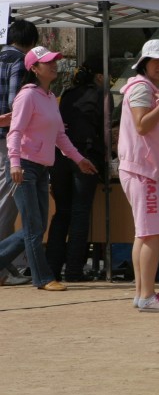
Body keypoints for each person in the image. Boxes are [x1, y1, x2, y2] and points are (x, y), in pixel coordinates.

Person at [0, 46, 98, 291]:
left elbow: (60, 136)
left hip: (41, 168)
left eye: (54, 61)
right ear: (34, 68)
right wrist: (14, 163)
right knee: (34, 228)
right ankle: (43, 278)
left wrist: (78, 159)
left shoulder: (50, 97)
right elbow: (15, 131)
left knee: (37, 227)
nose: (54, 65)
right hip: (24, 167)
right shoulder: (28, 95)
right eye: (47, 62)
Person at [118, 40, 159, 312]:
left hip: (141, 169)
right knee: (151, 235)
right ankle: (146, 295)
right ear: (144, 62)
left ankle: (141, 293)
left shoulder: (142, 87)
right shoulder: (143, 88)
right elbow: (142, 125)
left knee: (144, 235)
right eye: (156, 60)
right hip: (143, 171)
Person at [47, 54, 107, 282]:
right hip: (85, 158)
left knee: (62, 212)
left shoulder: (66, 95)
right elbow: (104, 129)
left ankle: (51, 270)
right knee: (80, 212)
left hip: (59, 158)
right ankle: (73, 270)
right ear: (100, 76)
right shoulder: (102, 95)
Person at [0, 19, 38, 286]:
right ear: (31, 41)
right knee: (7, 204)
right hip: (7, 141)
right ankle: (2, 268)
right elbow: (17, 105)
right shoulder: (19, 61)